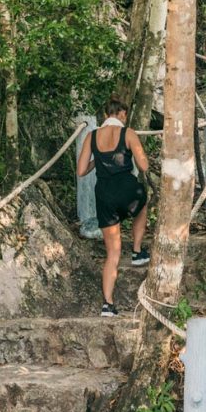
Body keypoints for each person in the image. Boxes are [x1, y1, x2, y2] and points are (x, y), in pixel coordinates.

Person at [76, 98, 150, 317]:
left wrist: (98, 160)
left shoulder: (92, 136)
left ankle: (107, 305)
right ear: (121, 113)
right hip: (126, 188)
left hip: (104, 194)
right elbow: (143, 166)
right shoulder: (128, 133)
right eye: (125, 115)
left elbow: (81, 171)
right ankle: (137, 251)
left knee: (112, 253)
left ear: (104, 115)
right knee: (142, 204)